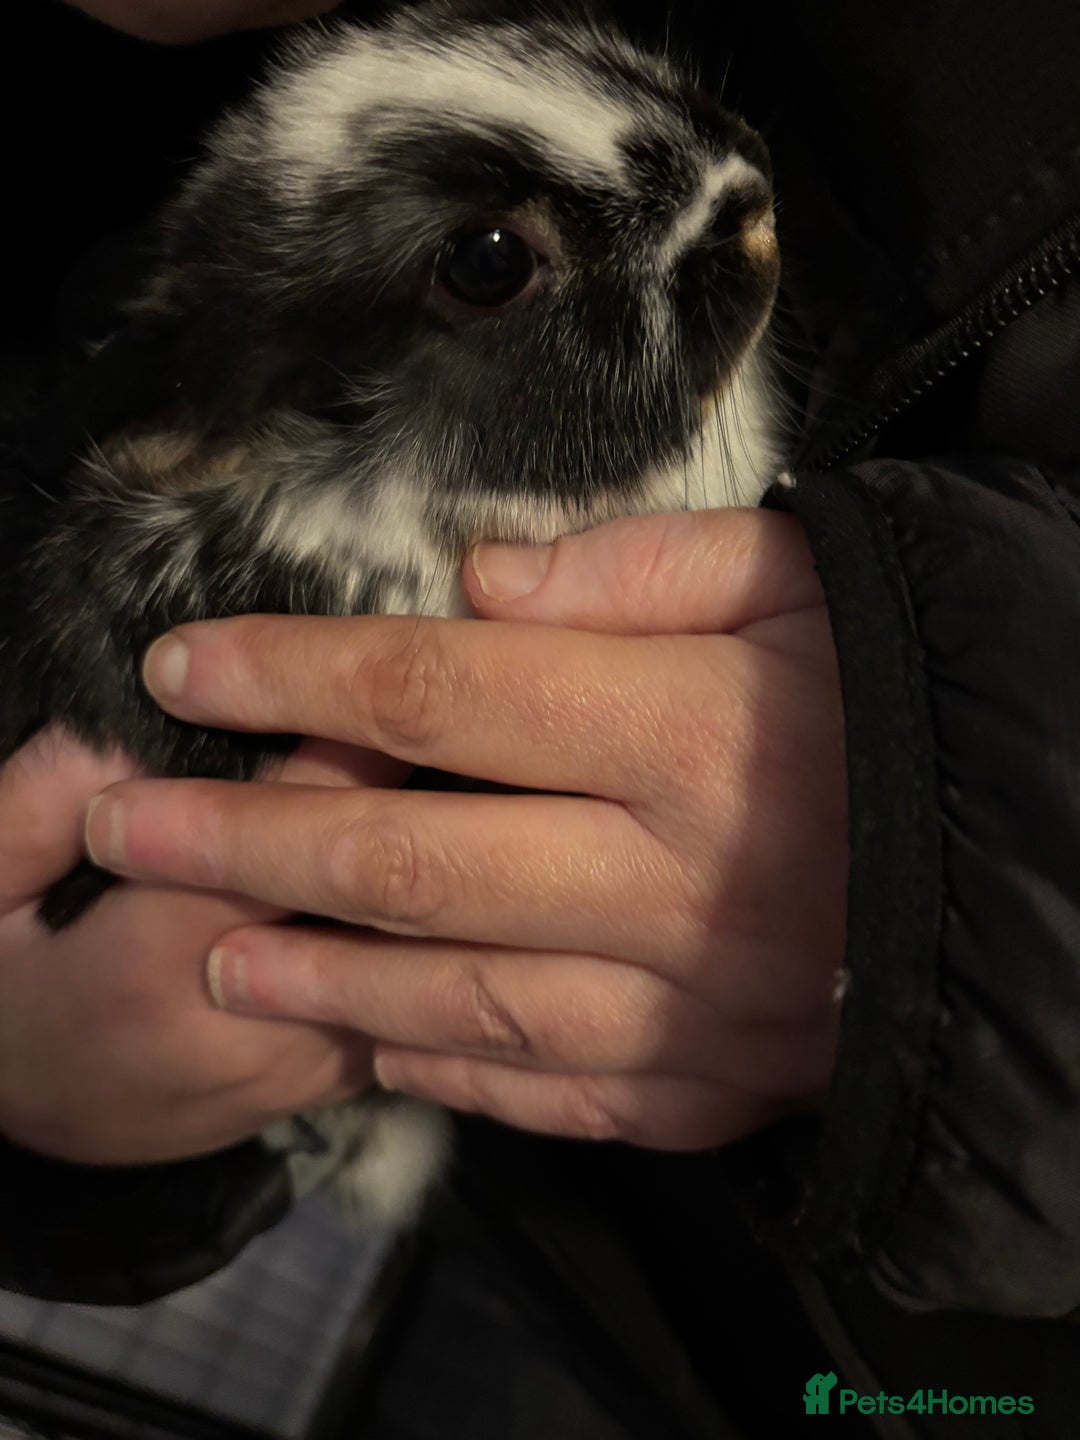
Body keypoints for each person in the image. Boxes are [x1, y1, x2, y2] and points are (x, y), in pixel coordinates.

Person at [2, 0, 1079, 1434]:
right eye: (496, 263)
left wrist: (983, 856)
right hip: (631, 1260)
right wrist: (56, 1118)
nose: (743, 217)